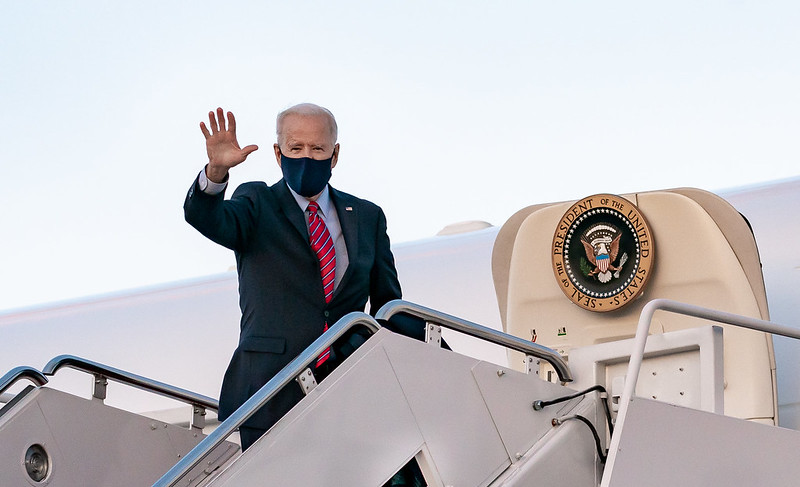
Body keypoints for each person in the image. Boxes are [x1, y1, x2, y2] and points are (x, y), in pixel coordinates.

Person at [184, 104, 412, 451]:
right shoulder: (257, 202)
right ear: (278, 153)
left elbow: (389, 306)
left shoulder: (367, 216)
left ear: (335, 155)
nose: (307, 157)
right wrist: (216, 171)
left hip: (349, 388)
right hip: (270, 390)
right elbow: (206, 217)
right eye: (296, 148)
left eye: (318, 149)